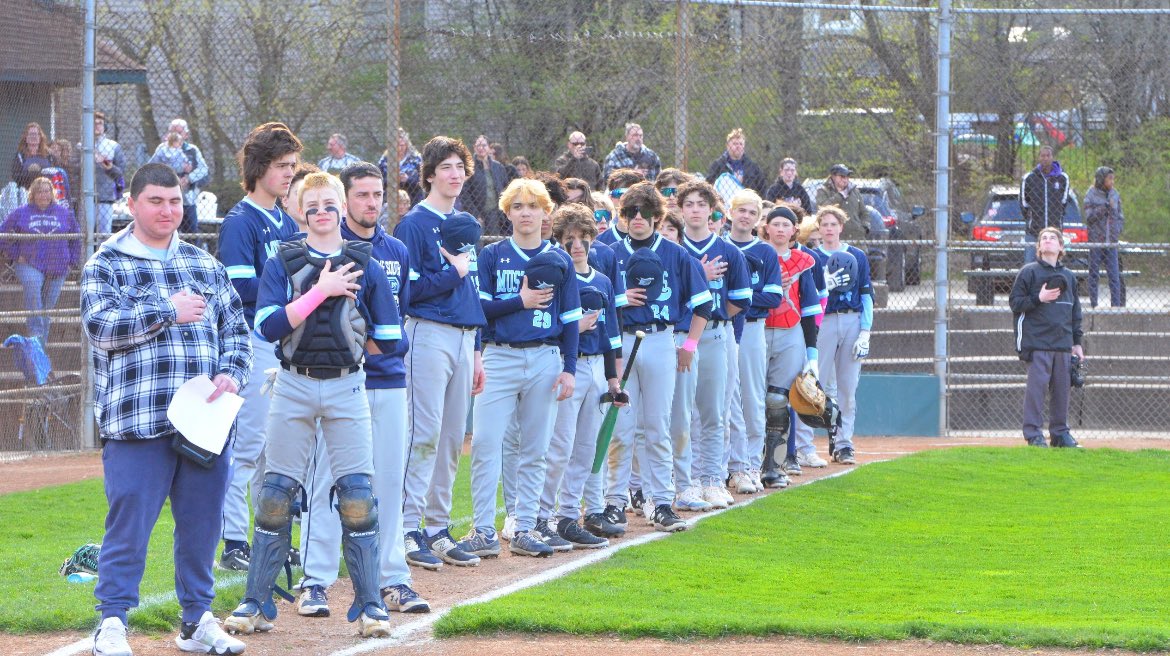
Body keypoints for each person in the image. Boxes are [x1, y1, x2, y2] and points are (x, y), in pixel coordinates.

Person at [82, 163, 251, 656]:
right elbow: (101, 326)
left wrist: (231, 372)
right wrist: (165, 310)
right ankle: (111, 622)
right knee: (129, 525)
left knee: (202, 525)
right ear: (132, 204)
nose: (168, 210)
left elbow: (236, 332)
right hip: (138, 423)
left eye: (175, 201)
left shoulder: (204, 264)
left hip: (205, 424)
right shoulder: (107, 262)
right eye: (156, 201)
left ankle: (197, 621)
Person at [223, 171, 401, 639]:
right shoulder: (284, 260)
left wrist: (349, 341)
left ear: (342, 208)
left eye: (329, 204)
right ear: (299, 210)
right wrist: (321, 293)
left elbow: (392, 339)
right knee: (276, 495)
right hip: (292, 383)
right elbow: (266, 326)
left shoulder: (366, 262)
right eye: (313, 205)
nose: (322, 213)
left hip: (346, 386)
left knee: (358, 497)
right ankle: (256, 601)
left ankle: (369, 604)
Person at [459, 179, 582, 559]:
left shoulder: (559, 259)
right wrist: (521, 300)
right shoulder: (493, 255)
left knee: (535, 448)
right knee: (484, 442)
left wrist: (570, 368)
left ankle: (525, 526)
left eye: (533, 205)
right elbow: (480, 310)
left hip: (545, 357)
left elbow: (572, 318)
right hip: (499, 353)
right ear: (507, 212)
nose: (525, 212)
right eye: (517, 206)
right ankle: (483, 529)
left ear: (546, 212)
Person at [394, 136, 486, 570]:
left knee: (452, 439)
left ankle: (436, 526)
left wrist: (479, 351)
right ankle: (408, 526)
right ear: (429, 173)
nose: (454, 174)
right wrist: (454, 272)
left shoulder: (466, 223)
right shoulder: (413, 223)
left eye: (460, 167)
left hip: (465, 336)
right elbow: (407, 293)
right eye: (446, 166)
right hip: (428, 333)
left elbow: (474, 291)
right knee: (423, 433)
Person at [601, 181, 713, 533]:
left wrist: (689, 347)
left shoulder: (676, 253)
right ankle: (614, 502)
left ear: (657, 215)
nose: (638, 218)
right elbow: (591, 298)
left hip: (661, 338)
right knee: (621, 428)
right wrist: (621, 299)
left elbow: (703, 304)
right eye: (631, 212)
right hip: (620, 341)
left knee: (658, 426)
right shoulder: (608, 251)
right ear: (623, 215)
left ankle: (660, 501)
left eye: (646, 212)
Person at [216, 122, 303, 571]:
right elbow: (239, 288)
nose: (289, 173)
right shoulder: (240, 222)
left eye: (292, 166)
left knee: (278, 448)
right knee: (247, 444)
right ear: (258, 167)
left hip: (285, 341)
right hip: (253, 341)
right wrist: (292, 298)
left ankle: (272, 534)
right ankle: (233, 541)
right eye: (280, 166)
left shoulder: (287, 221)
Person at [539, 203, 625, 544]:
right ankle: (541, 517)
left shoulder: (602, 280)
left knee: (587, 447)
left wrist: (614, 380)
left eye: (583, 238)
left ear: (593, 239)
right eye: (568, 239)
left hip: (595, 370)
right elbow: (545, 327)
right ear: (558, 241)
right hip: (566, 366)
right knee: (560, 446)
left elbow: (611, 336)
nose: (577, 245)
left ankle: (567, 516)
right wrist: (574, 325)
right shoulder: (557, 276)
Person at [676, 181, 751, 510]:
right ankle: (689, 481)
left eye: (700, 204)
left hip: (717, 334)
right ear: (680, 210)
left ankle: (713, 479)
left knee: (714, 411)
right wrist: (698, 275)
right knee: (683, 413)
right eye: (688, 204)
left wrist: (715, 318)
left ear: (712, 211)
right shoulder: (672, 249)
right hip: (680, 336)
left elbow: (738, 301)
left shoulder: (729, 250)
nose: (694, 209)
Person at [723, 196, 784, 494]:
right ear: (729, 213)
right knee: (724, 400)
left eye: (752, 212)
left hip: (750, 329)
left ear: (759, 219)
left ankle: (749, 464)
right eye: (741, 211)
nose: (745, 216)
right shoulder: (720, 245)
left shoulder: (764, 252)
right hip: (719, 328)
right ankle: (728, 466)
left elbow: (773, 297)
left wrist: (736, 299)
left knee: (751, 398)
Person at [804, 206, 873, 466]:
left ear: (841, 227)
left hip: (851, 319)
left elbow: (866, 295)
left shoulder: (856, 255)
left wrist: (865, 331)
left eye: (834, 224)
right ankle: (806, 445)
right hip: (824, 321)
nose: (829, 229)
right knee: (814, 384)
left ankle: (844, 443)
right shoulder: (813, 257)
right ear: (819, 228)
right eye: (825, 224)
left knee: (848, 388)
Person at [761, 205, 824, 483]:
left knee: (778, 400)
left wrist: (812, 354)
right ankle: (744, 464)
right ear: (766, 228)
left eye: (786, 225)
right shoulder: (754, 255)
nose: (780, 229)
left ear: (794, 230)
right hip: (757, 330)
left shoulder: (804, 260)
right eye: (775, 224)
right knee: (749, 401)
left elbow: (810, 309)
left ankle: (774, 465)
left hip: (790, 332)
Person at [1009, 226, 1084, 448]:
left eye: (1053, 238)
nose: (1048, 241)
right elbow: (1015, 303)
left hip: (1062, 343)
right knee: (1037, 389)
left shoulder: (1069, 277)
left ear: (1061, 247)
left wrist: (1076, 343)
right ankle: (1033, 435)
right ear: (1039, 247)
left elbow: (1074, 312)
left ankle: (1060, 434)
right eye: (1044, 238)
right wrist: (1038, 297)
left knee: (1062, 390)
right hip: (1038, 342)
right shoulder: (1029, 272)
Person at [0, 177, 81, 341]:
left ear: (52, 193)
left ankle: (39, 347)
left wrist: (71, 262)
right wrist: (15, 254)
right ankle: (36, 337)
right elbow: (3, 234)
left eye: (46, 191)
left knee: (47, 308)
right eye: (39, 191)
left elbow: (77, 239)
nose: (43, 195)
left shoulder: (64, 214)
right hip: (29, 263)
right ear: (32, 194)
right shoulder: (22, 212)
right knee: (33, 288)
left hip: (58, 266)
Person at [149, 119, 209, 234]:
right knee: (167, 232)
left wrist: (189, 178)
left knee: (191, 233)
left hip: (188, 198)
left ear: (185, 135)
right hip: (166, 198)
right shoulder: (162, 149)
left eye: (179, 132)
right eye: (172, 131)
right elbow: (150, 167)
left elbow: (203, 169)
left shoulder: (192, 150)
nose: (175, 135)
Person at [1082, 166, 1124, 308]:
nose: (1112, 181)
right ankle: (1094, 304)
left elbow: (1120, 216)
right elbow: (1089, 217)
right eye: (1109, 178)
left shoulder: (1115, 194)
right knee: (1094, 274)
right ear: (1101, 179)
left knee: (1114, 276)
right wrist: (1105, 207)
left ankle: (1116, 307)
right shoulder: (1091, 194)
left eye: (1113, 178)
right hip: (1096, 242)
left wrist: (1117, 230)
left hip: (1111, 242)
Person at [1020, 145, 1070, 264]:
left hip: (1055, 231)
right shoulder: (1029, 178)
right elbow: (1024, 203)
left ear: (1052, 157)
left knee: (1054, 264)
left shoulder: (1063, 178)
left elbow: (1063, 202)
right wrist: (1033, 218)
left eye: (1048, 156)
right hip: (1034, 231)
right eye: (1042, 156)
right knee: (1030, 264)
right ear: (1039, 158)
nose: (1045, 158)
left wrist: (1056, 218)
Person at [460, 135, 510, 236]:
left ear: (489, 148)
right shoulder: (469, 167)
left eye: (484, 145)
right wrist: (475, 214)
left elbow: (505, 188)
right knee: (477, 241)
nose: (481, 148)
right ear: (474, 147)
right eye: (478, 145)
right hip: (475, 211)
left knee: (493, 240)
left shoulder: (498, 167)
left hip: (494, 212)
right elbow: (464, 193)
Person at [705, 128, 767, 195]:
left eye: (741, 144)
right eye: (735, 144)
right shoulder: (718, 165)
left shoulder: (753, 167)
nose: (738, 146)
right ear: (728, 146)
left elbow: (762, 189)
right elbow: (708, 185)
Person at [93, 112, 127, 235]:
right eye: (94, 124)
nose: (97, 126)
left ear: (105, 126)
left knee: (104, 235)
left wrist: (109, 167)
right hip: (85, 200)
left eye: (100, 123)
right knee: (85, 236)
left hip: (105, 198)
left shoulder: (113, 146)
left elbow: (120, 172)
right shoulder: (81, 146)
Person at [814, 164, 866, 242]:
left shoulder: (854, 191)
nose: (845, 179)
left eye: (847, 176)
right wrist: (840, 195)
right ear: (833, 176)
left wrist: (864, 228)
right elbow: (823, 208)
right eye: (842, 176)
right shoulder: (823, 191)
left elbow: (864, 212)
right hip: (836, 239)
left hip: (857, 237)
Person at [595, 168, 645, 246]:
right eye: (618, 193)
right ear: (610, 197)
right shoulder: (599, 241)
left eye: (630, 194)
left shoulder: (654, 237)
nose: (623, 199)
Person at [379, 128, 423, 207]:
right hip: (390, 197)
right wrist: (392, 179)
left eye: (402, 145)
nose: (400, 148)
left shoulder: (416, 158)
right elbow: (379, 179)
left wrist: (408, 179)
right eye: (397, 145)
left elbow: (423, 180)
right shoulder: (385, 159)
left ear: (407, 145)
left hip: (412, 197)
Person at [10, 122, 58, 189]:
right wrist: (33, 174)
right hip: (27, 192)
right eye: (31, 134)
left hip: (47, 192)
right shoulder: (20, 156)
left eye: (36, 134)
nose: (33, 137)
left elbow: (56, 173)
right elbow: (16, 177)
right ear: (25, 138)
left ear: (40, 137)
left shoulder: (49, 156)